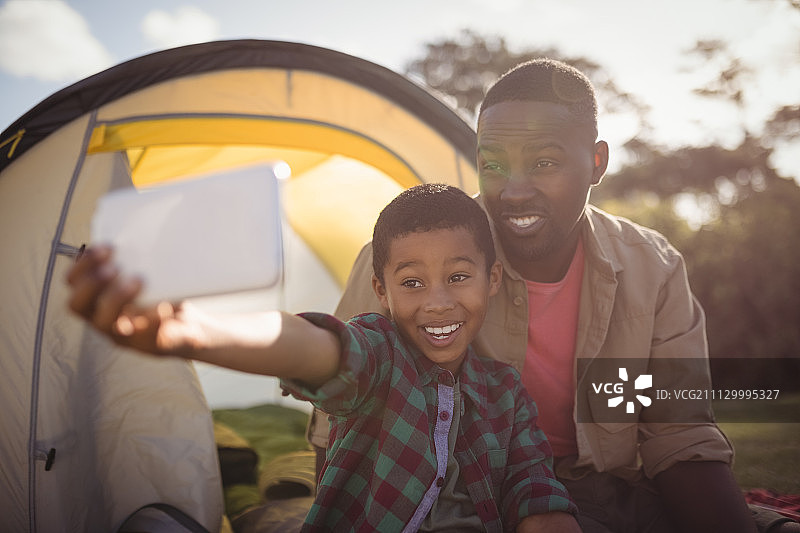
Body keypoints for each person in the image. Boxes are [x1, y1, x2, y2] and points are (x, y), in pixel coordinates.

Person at [312, 60, 798, 532]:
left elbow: (680, 436)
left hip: (614, 491)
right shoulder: (402, 263)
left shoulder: (654, 268)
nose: (514, 191)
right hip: (468, 497)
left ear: (597, 163)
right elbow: (338, 427)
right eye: (494, 164)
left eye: (544, 162)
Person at [66, 183, 580, 532]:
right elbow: (316, 347)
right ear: (382, 290)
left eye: (459, 277)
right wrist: (196, 331)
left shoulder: (503, 391)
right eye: (413, 283)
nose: (438, 301)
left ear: (492, 280)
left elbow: (532, 484)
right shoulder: (379, 352)